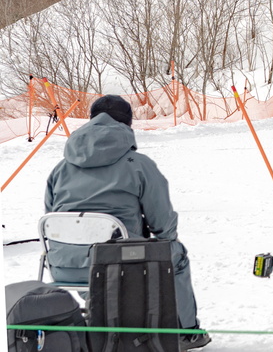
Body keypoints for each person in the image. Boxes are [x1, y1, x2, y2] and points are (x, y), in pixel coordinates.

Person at [44, 95, 209, 351]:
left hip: (64, 265)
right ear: (127, 125)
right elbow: (162, 224)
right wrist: (161, 237)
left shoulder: (60, 168)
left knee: (93, 252)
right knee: (176, 254)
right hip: (120, 265)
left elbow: (51, 216)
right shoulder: (138, 165)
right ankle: (186, 331)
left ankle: (103, 314)